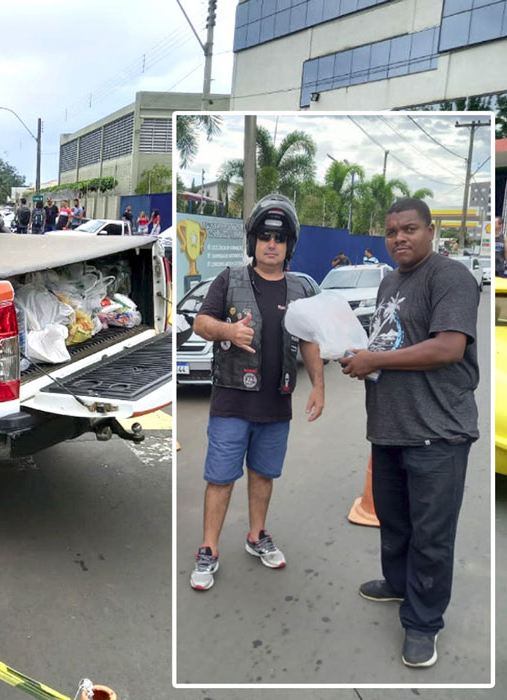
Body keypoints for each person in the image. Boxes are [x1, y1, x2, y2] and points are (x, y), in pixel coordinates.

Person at [338, 198, 479, 668]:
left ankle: (422, 624)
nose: (399, 237)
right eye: (392, 230)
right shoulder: (388, 282)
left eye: (410, 229)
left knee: (431, 537)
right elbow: (390, 341)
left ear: (431, 230)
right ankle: (399, 585)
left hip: (437, 433)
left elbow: (448, 347)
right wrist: (360, 356)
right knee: (395, 524)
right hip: (390, 429)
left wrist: (374, 360)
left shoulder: (449, 276)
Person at [189, 193, 324, 592]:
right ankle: (208, 549)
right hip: (232, 401)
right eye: (264, 236)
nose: (271, 244)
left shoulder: (301, 289)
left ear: (289, 246)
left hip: (276, 404)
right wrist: (228, 331)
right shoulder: (229, 279)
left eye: (279, 239)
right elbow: (200, 323)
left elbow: (312, 342)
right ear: (252, 242)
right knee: (220, 478)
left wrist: (318, 384)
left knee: (263, 475)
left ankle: (256, 535)